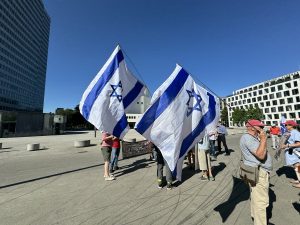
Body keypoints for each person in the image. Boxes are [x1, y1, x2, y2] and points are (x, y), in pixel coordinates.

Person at [240, 119, 272, 225]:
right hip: (259, 172)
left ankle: (256, 217)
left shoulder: (252, 138)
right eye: (260, 127)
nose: (262, 129)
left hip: (255, 171)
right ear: (253, 127)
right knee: (261, 202)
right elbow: (261, 155)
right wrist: (263, 139)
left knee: (255, 197)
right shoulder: (248, 138)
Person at [281, 120, 300, 188]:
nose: (285, 126)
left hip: (295, 153)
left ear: (291, 126)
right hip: (292, 153)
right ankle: (298, 179)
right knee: (296, 167)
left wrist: (287, 145)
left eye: (286, 125)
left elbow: (298, 144)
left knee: (298, 167)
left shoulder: (295, 133)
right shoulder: (291, 132)